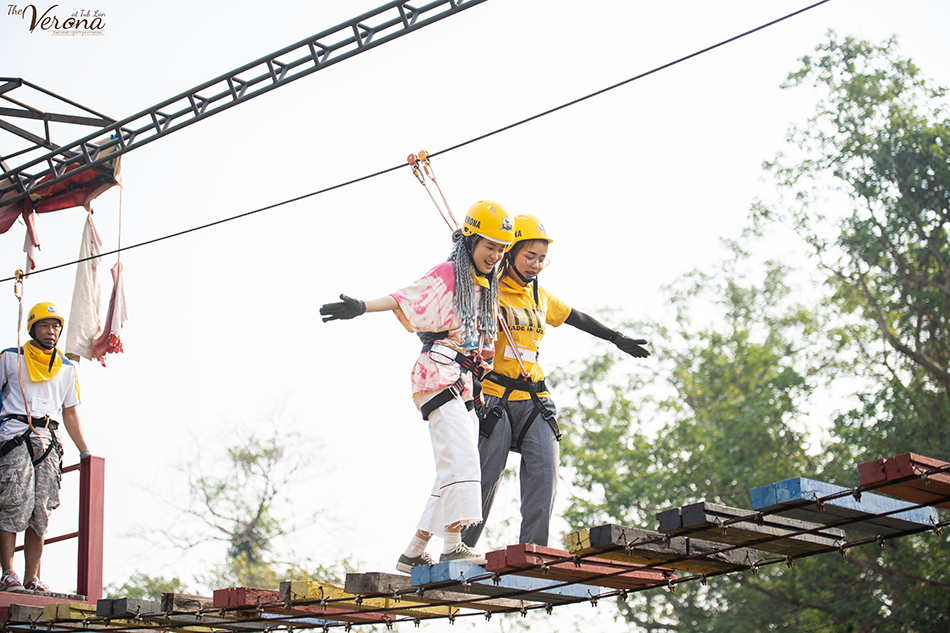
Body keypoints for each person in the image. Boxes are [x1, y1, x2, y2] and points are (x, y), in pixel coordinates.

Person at [320, 200, 515, 573]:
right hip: (439, 374)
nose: (495, 255)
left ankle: (415, 548)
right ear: (470, 241)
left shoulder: (486, 287)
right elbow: (405, 296)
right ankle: (454, 544)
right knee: (462, 459)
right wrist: (362, 306)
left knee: (449, 468)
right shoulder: (448, 274)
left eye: (500, 248)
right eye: (489, 245)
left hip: (465, 385)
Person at [461, 214, 649, 549]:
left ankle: (532, 550)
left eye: (541, 259)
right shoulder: (487, 290)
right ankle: (459, 548)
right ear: (510, 253)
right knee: (486, 477)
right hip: (494, 397)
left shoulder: (539, 297)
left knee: (545, 474)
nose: (535, 265)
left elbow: (576, 317)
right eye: (528, 256)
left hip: (534, 399)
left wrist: (615, 337)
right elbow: (461, 281)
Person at [0, 302, 91, 593]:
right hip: (15, 435)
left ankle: (32, 577)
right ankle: (9, 573)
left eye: (55, 327)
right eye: (44, 326)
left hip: (48, 441)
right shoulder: (11, 358)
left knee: (40, 511)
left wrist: (84, 450)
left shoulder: (65, 368)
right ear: (32, 328)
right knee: (14, 504)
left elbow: (70, 412)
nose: (51, 332)